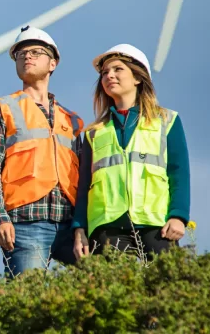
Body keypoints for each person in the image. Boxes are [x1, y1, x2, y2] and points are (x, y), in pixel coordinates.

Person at [0, 26, 84, 277]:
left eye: (36, 52)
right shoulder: (2, 108)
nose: (27, 56)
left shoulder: (71, 120)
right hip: (25, 222)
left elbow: (84, 180)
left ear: (53, 63)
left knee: (100, 290)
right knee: (28, 299)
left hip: (70, 226)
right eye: (21, 54)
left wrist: (82, 226)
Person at [71, 44, 190, 261]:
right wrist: (79, 230)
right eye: (105, 73)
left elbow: (179, 172)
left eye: (118, 69)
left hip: (157, 224)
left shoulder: (167, 121)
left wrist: (178, 216)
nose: (109, 76)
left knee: (167, 288)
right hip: (107, 226)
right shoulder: (93, 134)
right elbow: (83, 187)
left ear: (137, 77)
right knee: (111, 292)